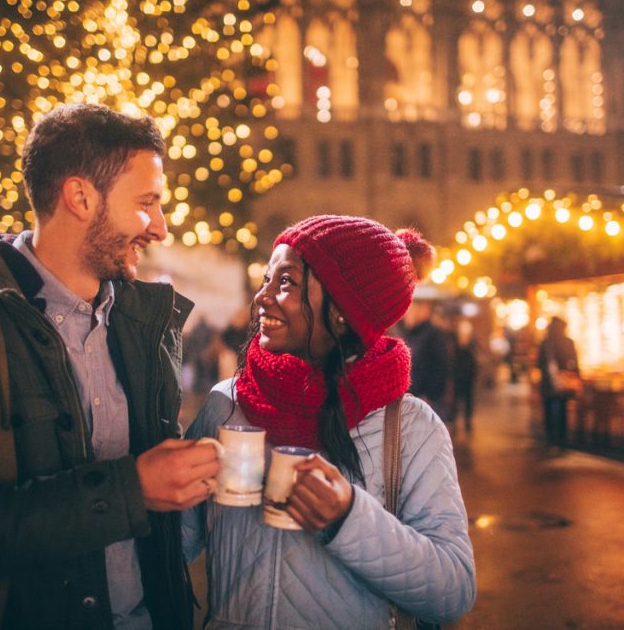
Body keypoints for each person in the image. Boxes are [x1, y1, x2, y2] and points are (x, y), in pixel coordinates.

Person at [0, 104, 220, 629]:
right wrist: (130, 489)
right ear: (81, 197)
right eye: (147, 203)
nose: (161, 228)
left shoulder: (142, 320)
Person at [183, 215, 476, 628]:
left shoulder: (409, 427)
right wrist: (165, 487)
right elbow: (172, 548)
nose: (261, 298)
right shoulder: (227, 404)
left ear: (342, 310)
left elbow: (454, 591)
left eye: (285, 282)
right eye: (267, 279)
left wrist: (347, 519)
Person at [402, 299, 453, 420]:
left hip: (428, 400)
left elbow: (441, 367)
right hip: (413, 398)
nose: (406, 315)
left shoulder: (434, 334)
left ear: (424, 310)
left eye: (410, 310)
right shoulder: (410, 334)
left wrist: (430, 396)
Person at [536, 316, 579, 450]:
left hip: (548, 383)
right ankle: (562, 439)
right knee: (562, 411)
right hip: (564, 382)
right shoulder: (568, 342)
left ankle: (550, 439)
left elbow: (538, 363)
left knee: (549, 410)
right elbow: (575, 363)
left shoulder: (545, 343)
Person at [450, 318, 479, 435]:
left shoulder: (471, 348)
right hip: (458, 378)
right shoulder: (455, 347)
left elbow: (473, 363)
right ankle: (455, 422)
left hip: (468, 378)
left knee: (468, 400)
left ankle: (467, 421)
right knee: (456, 400)